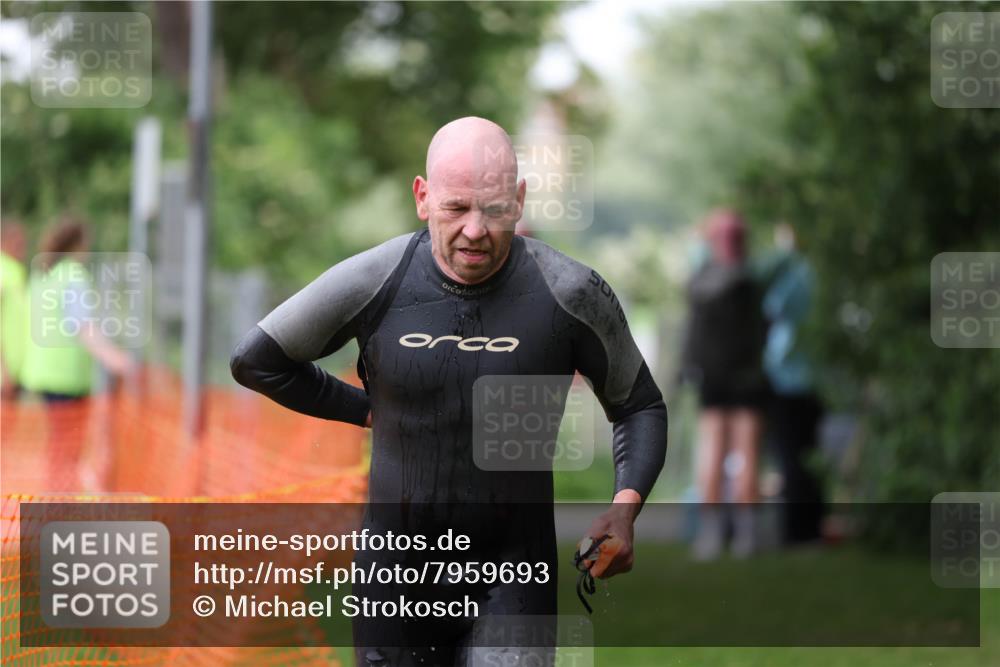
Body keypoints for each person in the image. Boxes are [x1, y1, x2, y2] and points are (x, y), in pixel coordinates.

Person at [231, 117, 668, 665]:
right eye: (457, 207)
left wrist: (624, 509)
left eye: (494, 208)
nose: (476, 229)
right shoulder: (376, 279)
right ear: (423, 197)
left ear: (520, 199)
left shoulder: (570, 293)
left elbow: (639, 405)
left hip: (514, 575)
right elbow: (257, 361)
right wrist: (367, 412)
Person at [20, 218, 134, 491]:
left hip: (41, 372)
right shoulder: (74, 276)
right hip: (66, 378)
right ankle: (59, 504)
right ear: (79, 243)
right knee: (67, 447)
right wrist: (115, 358)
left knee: (58, 446)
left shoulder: (44, 275)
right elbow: (83, 326)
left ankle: (55, 498)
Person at [679, 209, 767, 560]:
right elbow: (763, 331)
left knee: (712, 451)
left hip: (711, 376)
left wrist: (687, 367)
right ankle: (746, 536)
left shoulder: (699, 280)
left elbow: (693, 332)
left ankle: (712, 535)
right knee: (747, 453)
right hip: (747, 376)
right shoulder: (752, 282)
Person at [762, 222, 825, 544]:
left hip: (786, 380)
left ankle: (794, 532)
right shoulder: (818, 274)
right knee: (810, 456)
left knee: (789, 458)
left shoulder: (789, 275)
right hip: (815, 380)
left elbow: (770, 310)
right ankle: (812, 528)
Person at [1, 220, 28, 401]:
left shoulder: (16, 270)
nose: (23, 248)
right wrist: (3, 369)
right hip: (5, 373)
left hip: (17, 371)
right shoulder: (2, 270)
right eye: (18, 243)